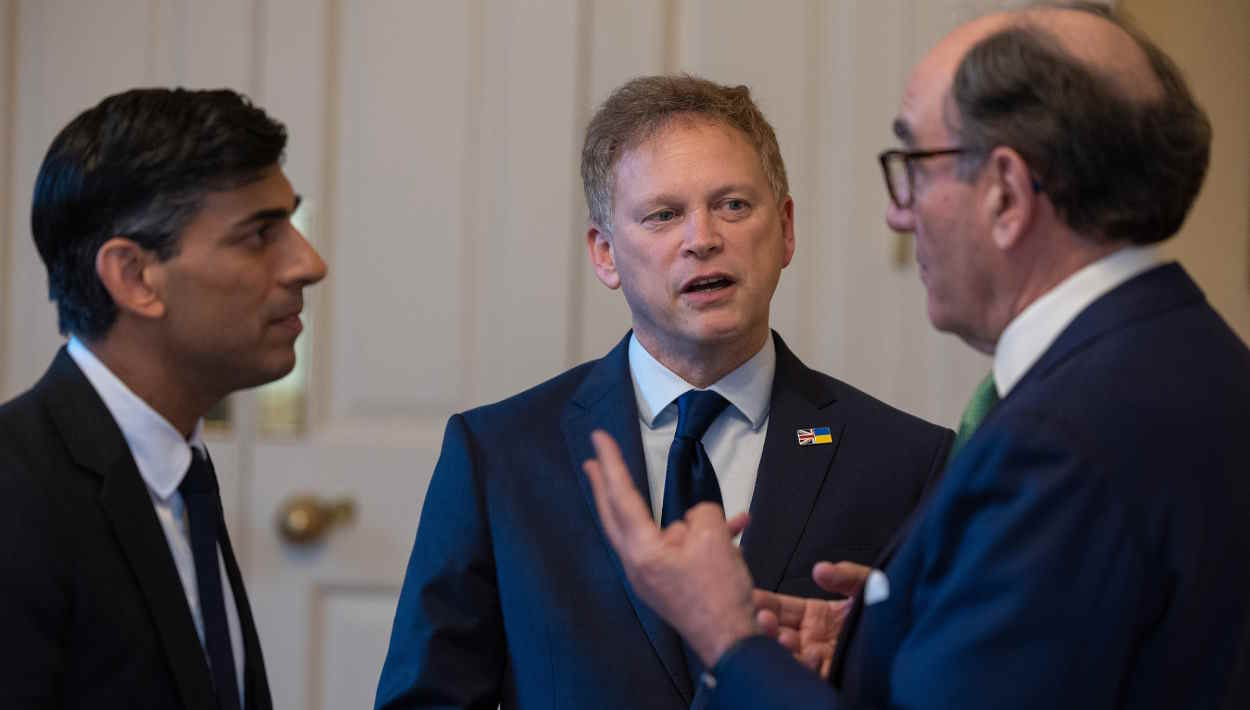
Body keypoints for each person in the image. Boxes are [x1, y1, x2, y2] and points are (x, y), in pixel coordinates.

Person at [582, 4, 1250, 709]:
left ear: (1006, 193)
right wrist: (883, 644)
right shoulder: (1197, 360)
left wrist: (730, 640)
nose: (898, 215)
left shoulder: (1062, 440)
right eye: (662, 214)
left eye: (915, 167)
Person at [374, 75, 953, 709]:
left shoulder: (908, 462)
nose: (702, 238)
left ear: (785, 230)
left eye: (732, 205)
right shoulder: (500, 453)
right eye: (663, 214)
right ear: (605, 254)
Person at [0, 88, 327, 709]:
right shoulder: (16, 493)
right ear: (133, 277)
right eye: (261, 235)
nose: (309, 263)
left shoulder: (179, 473)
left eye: (292, 222)